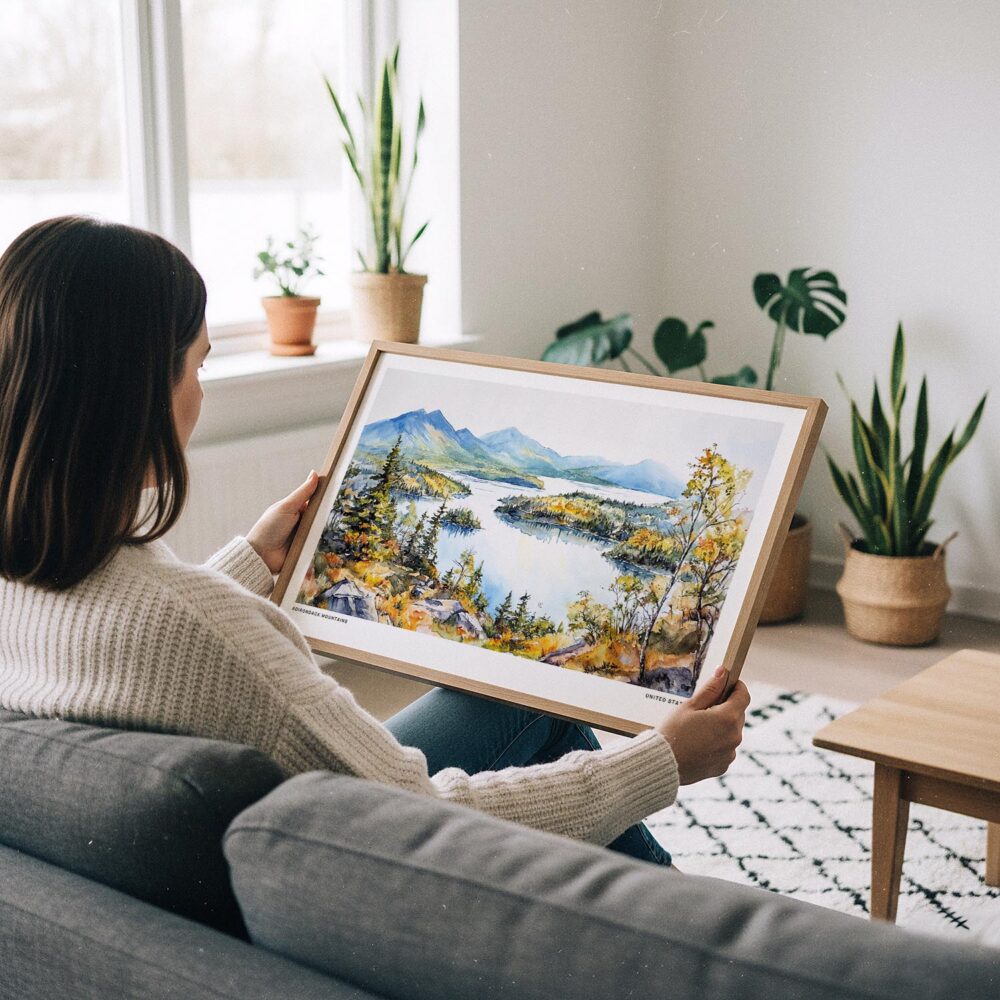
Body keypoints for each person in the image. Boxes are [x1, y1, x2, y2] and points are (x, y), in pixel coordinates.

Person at [0, 216, 749, 866]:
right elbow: (419, 817)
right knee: (548, 722)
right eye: (198, 365)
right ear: (135, 394)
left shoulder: (28, 581)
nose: (203, 391)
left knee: (507, 703)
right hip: (364, 861)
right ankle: (694, 937)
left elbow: (138, 637)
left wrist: (251, 564)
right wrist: (660, 761)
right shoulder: (206, 631)